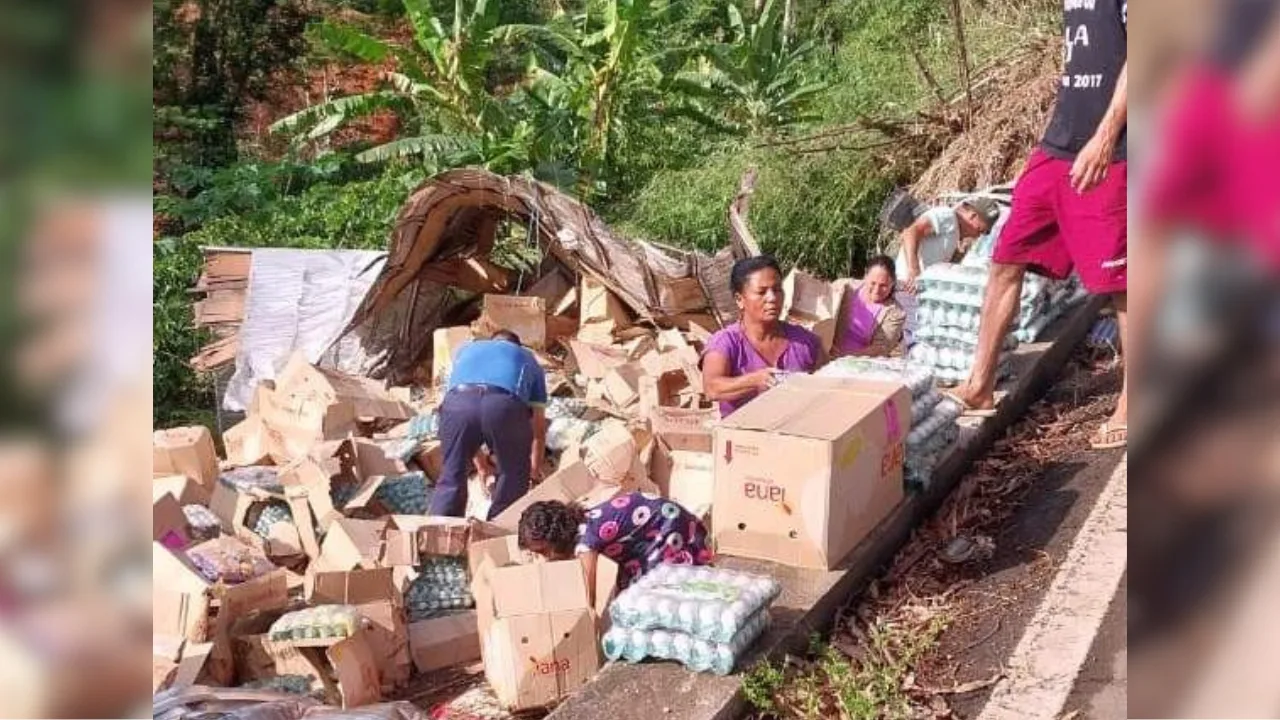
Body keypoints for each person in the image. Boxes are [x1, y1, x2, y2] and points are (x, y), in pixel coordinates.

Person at [945, 0, 1129, 450]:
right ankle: (979, 385)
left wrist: (1104, 139)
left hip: (1114, 148)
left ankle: (1134, 404)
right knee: (1006, 256)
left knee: (1121, 281)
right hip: (1056, 146)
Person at [427, 329, 548, 519]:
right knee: (513, 475)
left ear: (492, 342)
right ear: (517, 345)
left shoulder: (466, 350)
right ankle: (496, 533)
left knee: (452, 474)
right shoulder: (528, 358)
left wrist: (482, 467)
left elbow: (468, 430)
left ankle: (440, 535)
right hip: (503, 405)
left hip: (456, 404)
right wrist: (532, 471)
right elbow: (537, 430)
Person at [701, 255, 827, 417]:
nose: (772, 298)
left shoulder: (805, 342)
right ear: (740, 300)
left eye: (777, 290)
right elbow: (712, 388)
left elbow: (827, 385)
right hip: (744, 438)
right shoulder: (725, 342)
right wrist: (756, 380)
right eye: (761, 292)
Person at [517, 493, 713, 597]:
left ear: (555, 539)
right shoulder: (582, 523)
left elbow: (587, 591)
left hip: (667, 527)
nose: (543, 557)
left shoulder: (585, 542)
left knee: (648, 591)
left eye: (543, 551)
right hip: (656, 524)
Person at [896, 196, 1003, 293]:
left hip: (918, 287)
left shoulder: (955, 233)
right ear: (973, 216)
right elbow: (910, 232)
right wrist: (913, 270)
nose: (978, 236)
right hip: (907, 282)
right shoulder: (947, 216)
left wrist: (958, 256)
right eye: (980, 230)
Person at [834, 255, 908, 358]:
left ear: (893, 282)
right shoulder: (845, 288)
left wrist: (845, 357)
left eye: (883, 285)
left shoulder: (896, 313)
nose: (877, 290)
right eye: (873, 283)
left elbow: (880, 348)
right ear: (866, 276)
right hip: (828, 351)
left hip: (861, 363)